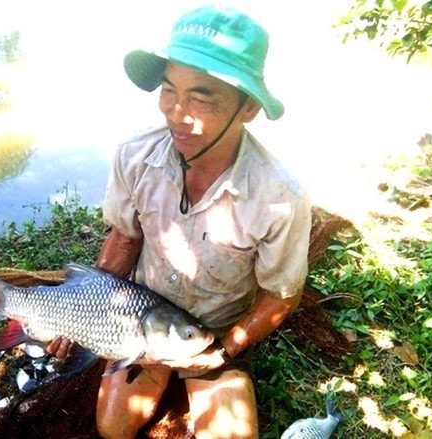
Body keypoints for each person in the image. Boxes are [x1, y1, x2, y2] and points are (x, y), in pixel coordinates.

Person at [47, 5, 311, 439]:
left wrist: (221, 351)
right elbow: (123, 240)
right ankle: (154, 372)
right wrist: (76, 304)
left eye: (201, 98)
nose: (175, 112)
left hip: (212, 332)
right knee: (113, 428)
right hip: (135, 318)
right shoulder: (135, 155)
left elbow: (282, 295)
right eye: (169, 90)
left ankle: (208, 375)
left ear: (247, 108)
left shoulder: (279, 196)